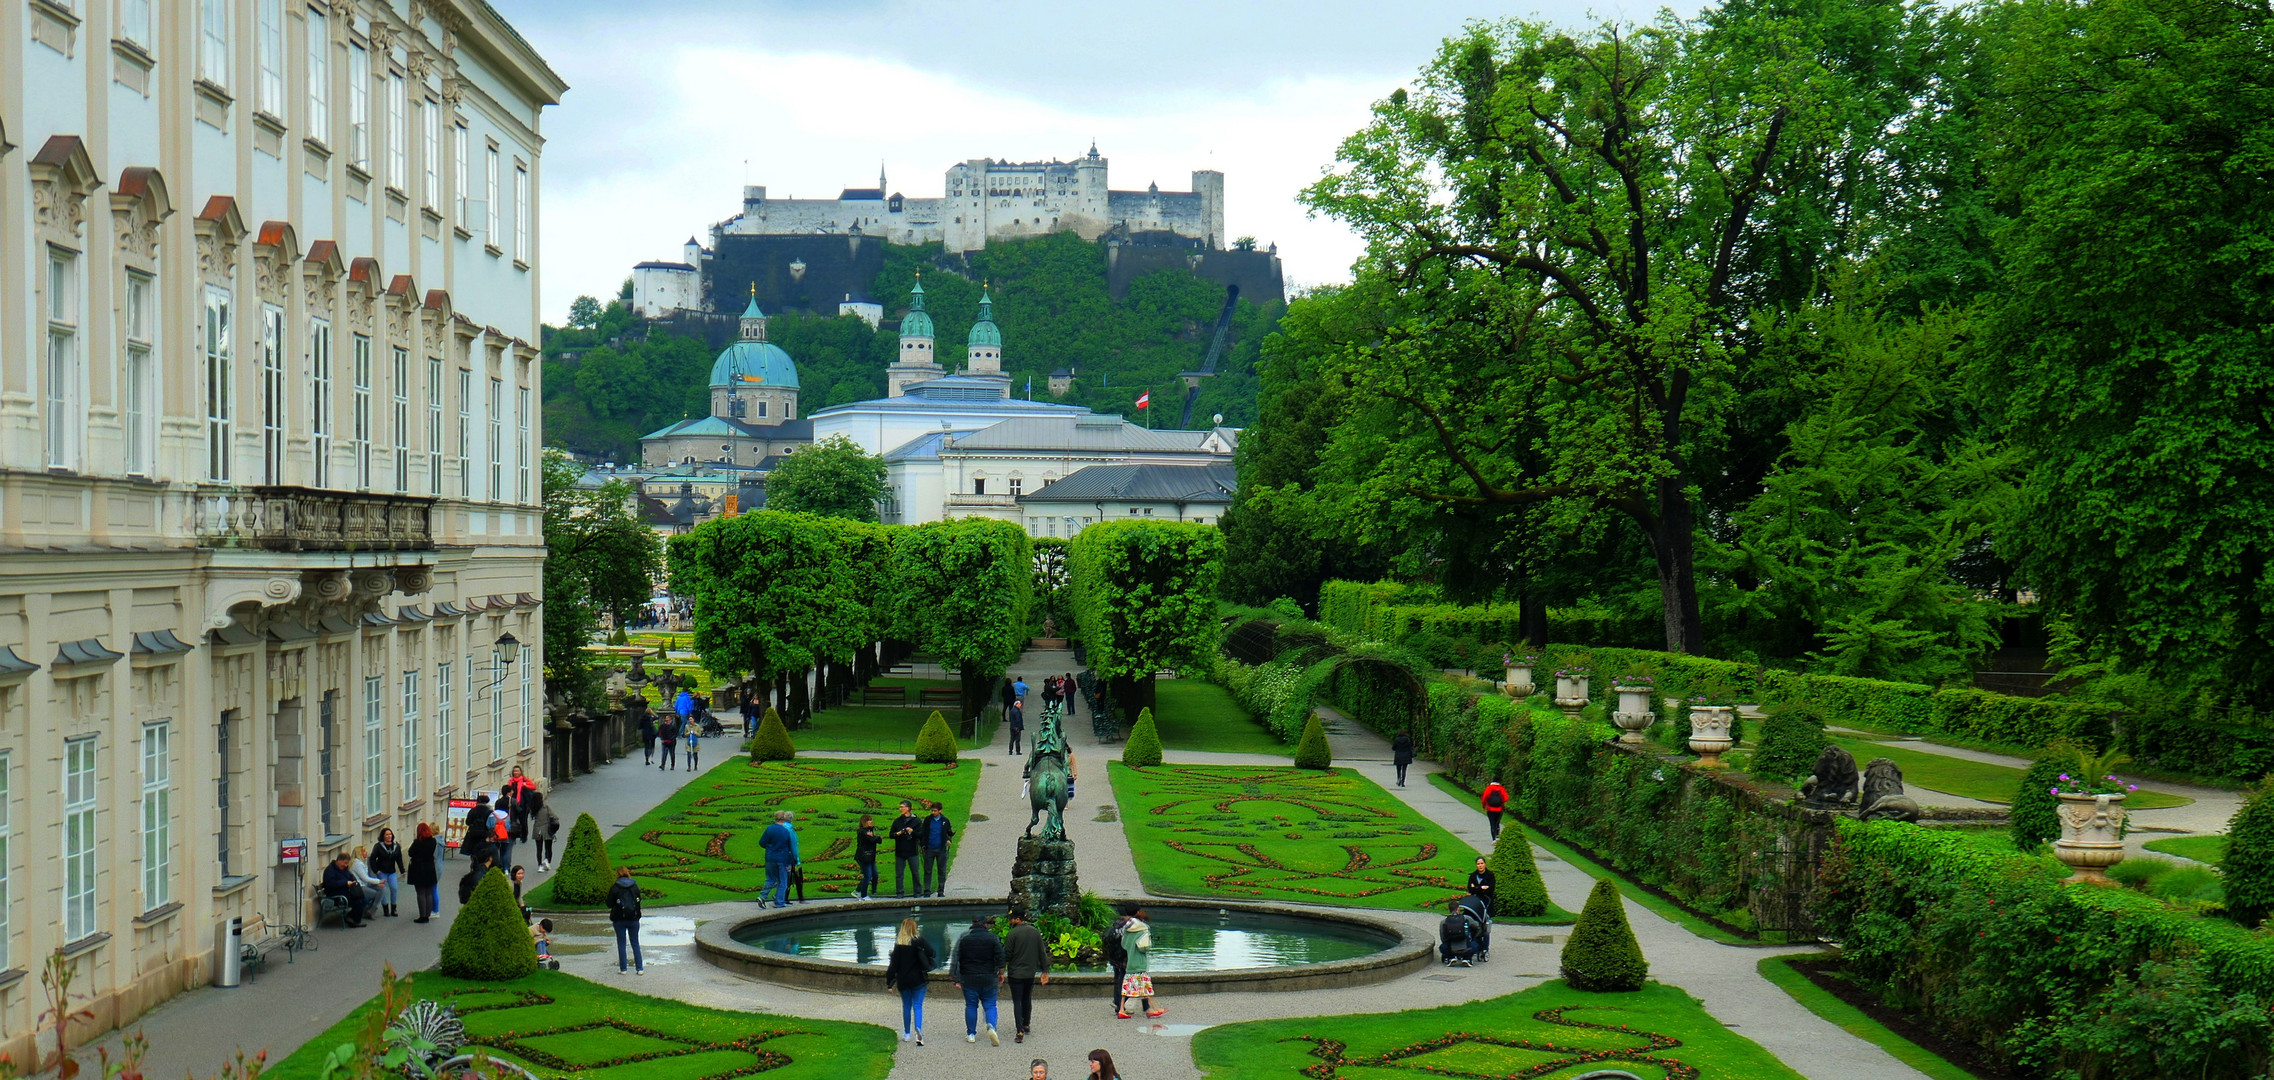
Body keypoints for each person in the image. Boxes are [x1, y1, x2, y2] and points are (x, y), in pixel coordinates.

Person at [885, 917, 937, 1045]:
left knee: (906, 1006)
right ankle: (918, 1031)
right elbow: (932, 953)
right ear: (915, 928)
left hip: (903, 979)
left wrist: (889, 982)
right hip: (918, 978)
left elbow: (893, 966)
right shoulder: (919, 940)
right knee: (918, 1006)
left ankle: (907, 1033)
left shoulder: (899, 945)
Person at [953, 915, 1004, 1045]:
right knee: (990, 1005)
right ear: (985, 924)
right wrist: (1001, 973)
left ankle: (971, 1034)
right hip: (988, 977)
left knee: (971, 1005)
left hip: (969, 977)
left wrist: (956, 978)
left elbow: (958, 959)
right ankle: (991, 1026)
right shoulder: (993, 938)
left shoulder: (965, 939)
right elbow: (1000, 957)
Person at [1003, 909, 1052, 1043]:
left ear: (1017, 919)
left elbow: (1007, 954)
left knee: (1017, 1001)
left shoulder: (1012, 934)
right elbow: (1042, 952)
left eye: (1012, 918)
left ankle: (1019, 1030)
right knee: (1027, 998)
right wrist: (1045, 970)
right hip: (1030, 973)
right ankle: (1026, 1023)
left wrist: (1001, 970)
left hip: (1015, 973)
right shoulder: (1035, 932)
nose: (1010, 921)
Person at [1117, 907, 1161, 1019]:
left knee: (1127, 987)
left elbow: (1124, 945)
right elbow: (1144, 948)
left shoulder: (1127, 931)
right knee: (1146, 986)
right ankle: (1153, 1009)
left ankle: (1121, 1009)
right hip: (1140, 962)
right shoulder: (1143, 931)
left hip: (1130, 962)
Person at [608, 866, 646, 975]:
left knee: (621, 943)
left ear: (618, 874)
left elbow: (609, 903)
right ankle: (639, 968)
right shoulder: (634, 886)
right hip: (633, 918)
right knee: (635, 943)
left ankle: (623, 969)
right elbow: (639, 900)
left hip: (619, 919)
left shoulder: (616, 887)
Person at [760, 810, 800, 908]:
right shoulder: (786, 831)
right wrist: (792, 861)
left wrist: (770, 848)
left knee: (770, 879)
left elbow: (762, 843)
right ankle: (779, 902)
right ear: (784, 819)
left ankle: (762, 896)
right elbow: (790, 848)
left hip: (769, 857)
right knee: (783, 881)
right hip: (782, 859)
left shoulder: (769, 829)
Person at [321, 853, 368, 928]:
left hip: (344, 891)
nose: (346, 865)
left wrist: (353, 881)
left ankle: (350, 917)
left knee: (363, 898)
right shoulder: (330, 870)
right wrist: (345, 883)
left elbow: (350, 876)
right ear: (339, 861)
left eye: (347, 863)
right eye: (345, 863)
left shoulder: (344, 869)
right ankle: (355, 920)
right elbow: (331, 883)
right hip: (335, 894)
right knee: (358, 901)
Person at [408, 822, 442, 923]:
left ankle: (422, 916)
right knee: (428, 893)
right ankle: (427, 914)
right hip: (430, 868)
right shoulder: (433, 841)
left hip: (419, 869)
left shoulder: (417, 842)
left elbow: (410, 853)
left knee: (420, 893)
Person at [921, 802, 955, 898]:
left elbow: (949, 833)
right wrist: (923, 845)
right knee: (928, 870)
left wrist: (948, 840)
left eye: (935, 811)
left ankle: (941, 890)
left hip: (941, 849)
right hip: (929, 848)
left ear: (940, 811)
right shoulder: (928, 820)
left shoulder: (945, 821)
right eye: (932, 810)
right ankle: (927, 890)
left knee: (941, 870)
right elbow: (924, 833)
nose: (933, 812)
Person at [369, 828, 404, 917]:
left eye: (390, 834)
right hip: (382, 872)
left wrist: (402, 870)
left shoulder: (396, 846)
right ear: (383, 836)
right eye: (387, 835)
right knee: (383, 890)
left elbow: (399, 859)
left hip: (392, 872)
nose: (389, 836)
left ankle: (393, 908)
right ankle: (385, 908)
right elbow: (372, 859)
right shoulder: (378, 846)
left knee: (394, 888)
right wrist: (376, 870)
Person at [891, 801, 923, 897]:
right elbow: (891, 834)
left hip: (912, 850)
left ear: (908, 808)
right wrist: (898, 833)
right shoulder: (897, 821)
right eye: (900, 807)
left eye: (902, 807)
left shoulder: (916, 821)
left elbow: (921, 835)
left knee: (915, 873)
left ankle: (917, 892)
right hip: (900, 851)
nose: (900, 809)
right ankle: (899, 892)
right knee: (899, 874)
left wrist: (912, 832)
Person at [1106, 908, 1131, 1016]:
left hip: (1114, 956)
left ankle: (1118, 1003)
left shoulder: (1116, 924)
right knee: (1127, 981)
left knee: (1118, 979)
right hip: (1123, 958)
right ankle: (1118, 1003)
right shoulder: (1129, 925)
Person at [349, 846, 385, 920]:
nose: (367, 853)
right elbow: (365, 878)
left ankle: (369, 910)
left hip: (365, 884)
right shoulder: (357, 864)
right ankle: (369, 911)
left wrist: (376, 884)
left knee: (382, 888)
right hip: (359, 886)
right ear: (360, 853)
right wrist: (379, 881)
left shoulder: (363, 862)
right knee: (377, 894)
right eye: (364, 851)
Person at [1439, 900, 1478, 965]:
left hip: (1450, 949)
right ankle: (1467, 958)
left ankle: (1451, 957)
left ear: (1449, 910)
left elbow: (1443, 937)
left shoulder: (1444, 921)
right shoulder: (1466, 918)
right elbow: (1477, 926)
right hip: (1466, 948)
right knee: (1475, 945)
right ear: (1458, 909)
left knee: (1442, 947)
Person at [461, 795, 496, 867]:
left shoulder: (472, 810)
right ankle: (481, 863)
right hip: (484, 834)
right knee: (483, 850)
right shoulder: (489, 812)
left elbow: (468, 822)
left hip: (473, 833)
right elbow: (492, 825)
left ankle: (474, 861)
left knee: (473, 849)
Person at [854, 814, 881, 899]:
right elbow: (872, 840)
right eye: (868, 820)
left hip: (870, 856)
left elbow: (879, 840)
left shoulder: (871, 830)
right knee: (868, 875)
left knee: (875, 874)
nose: (871, 822)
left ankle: (858, 891)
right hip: (864, 856)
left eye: (871, 820)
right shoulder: (862, 831)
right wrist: (876, 837)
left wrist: (875, 837)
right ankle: (863, 895)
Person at [533, 803, 562, 874]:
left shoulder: (534, 807)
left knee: (539, 849)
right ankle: (547, 860)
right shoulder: (545, 807)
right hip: (546, 829)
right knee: (548, 847)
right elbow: (554, 816)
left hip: (537, 829)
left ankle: (540, 865)